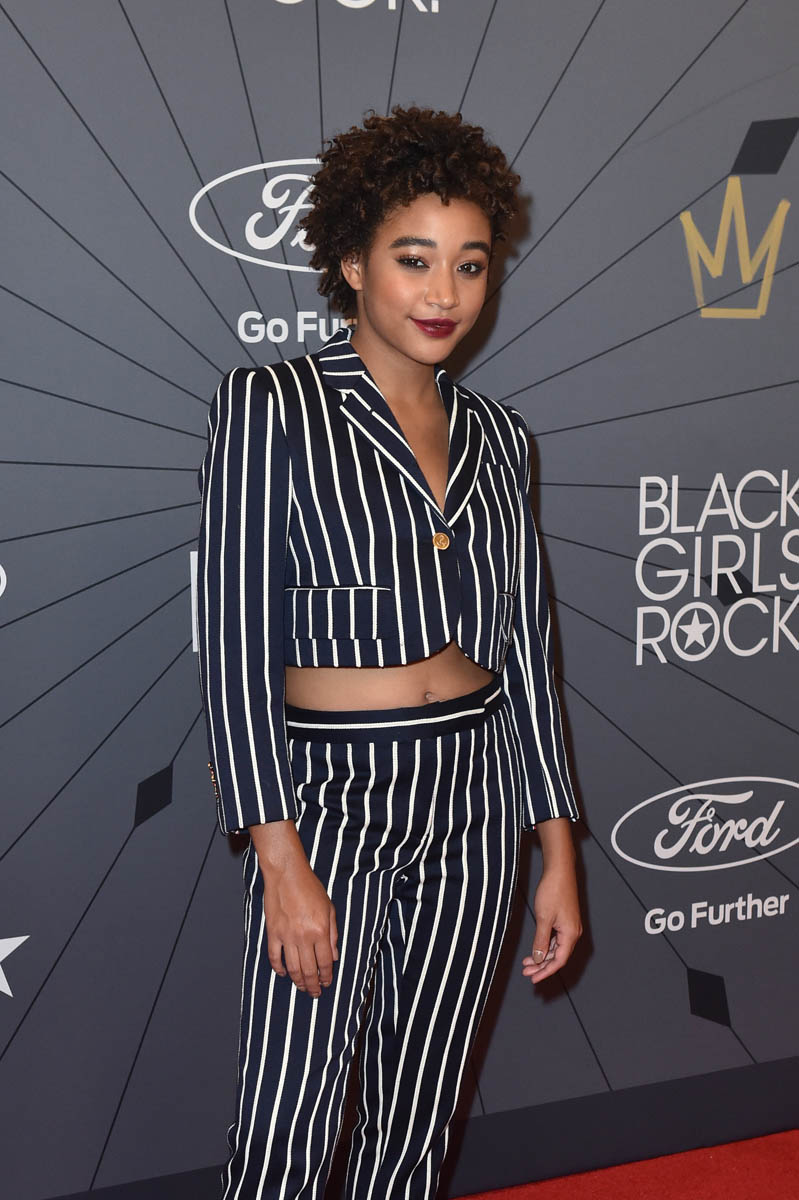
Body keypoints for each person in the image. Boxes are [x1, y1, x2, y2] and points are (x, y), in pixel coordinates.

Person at [197, 104, 583, 1200]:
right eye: (414, 259)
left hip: (476, 797)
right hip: (326, 800)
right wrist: (278, 858)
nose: (443, 293)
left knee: (417, 1120)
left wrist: (555, 847)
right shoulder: (270, 404)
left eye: (470, 264)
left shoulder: (501, 437)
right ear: (352, 261)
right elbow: (232, 640)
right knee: (286, 1126)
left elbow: (525, 645)